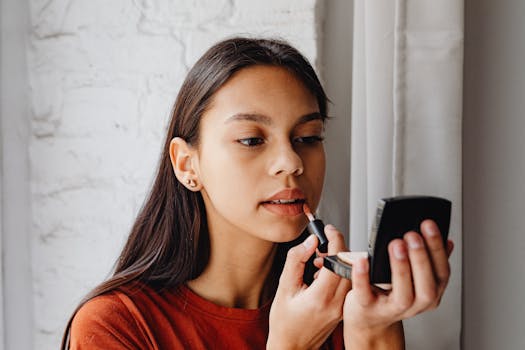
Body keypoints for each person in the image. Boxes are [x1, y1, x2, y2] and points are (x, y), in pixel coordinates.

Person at [62, 37, 453, 349]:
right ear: (186, 165)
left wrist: (373, 329)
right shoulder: (116, 327)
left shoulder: (338, 305)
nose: (291, 162)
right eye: (251, 139)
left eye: (308, 137)